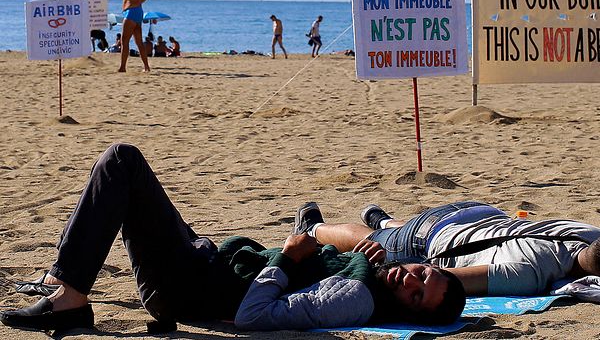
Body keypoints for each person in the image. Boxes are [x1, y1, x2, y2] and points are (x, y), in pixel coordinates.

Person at [0, 146, 465, 333]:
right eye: (423, 274)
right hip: (204, 260)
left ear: (409, 311)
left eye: (416, 295)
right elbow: (341, 249)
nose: (410, 279)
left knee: (121, 163)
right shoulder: (370, 275)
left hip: (187, 285)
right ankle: (65, 282)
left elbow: (253, 315)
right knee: (129, 188)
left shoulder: (354, 298)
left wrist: (284, 258)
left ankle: (71, 296)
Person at [295, 201, 600, 298]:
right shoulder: (526, 272)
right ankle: (313, 229)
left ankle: (386, 220)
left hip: (478, 211)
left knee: (394, 229)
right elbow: (441, 276)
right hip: (428, 237)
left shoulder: (589, 232)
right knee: (374, 240)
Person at [92, 0, 150, 73]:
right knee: (138, 42)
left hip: (131, 13)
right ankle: (146, 67)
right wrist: (137, 3)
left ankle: (123, 67)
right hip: (137, 12)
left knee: (124, 41)